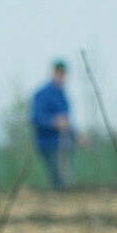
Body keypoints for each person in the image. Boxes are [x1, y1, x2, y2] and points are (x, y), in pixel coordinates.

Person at [29, 60, 76, 190]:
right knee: (58, 180)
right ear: (54, 73)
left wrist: (75, 135)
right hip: (48, 144)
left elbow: (66, 122)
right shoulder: (43, 94)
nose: (61, 77)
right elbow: (35, 118)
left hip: (63, 144)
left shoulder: (63, 96)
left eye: (64, 74)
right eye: (59, 73)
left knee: (66, 180)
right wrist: (53, 122)